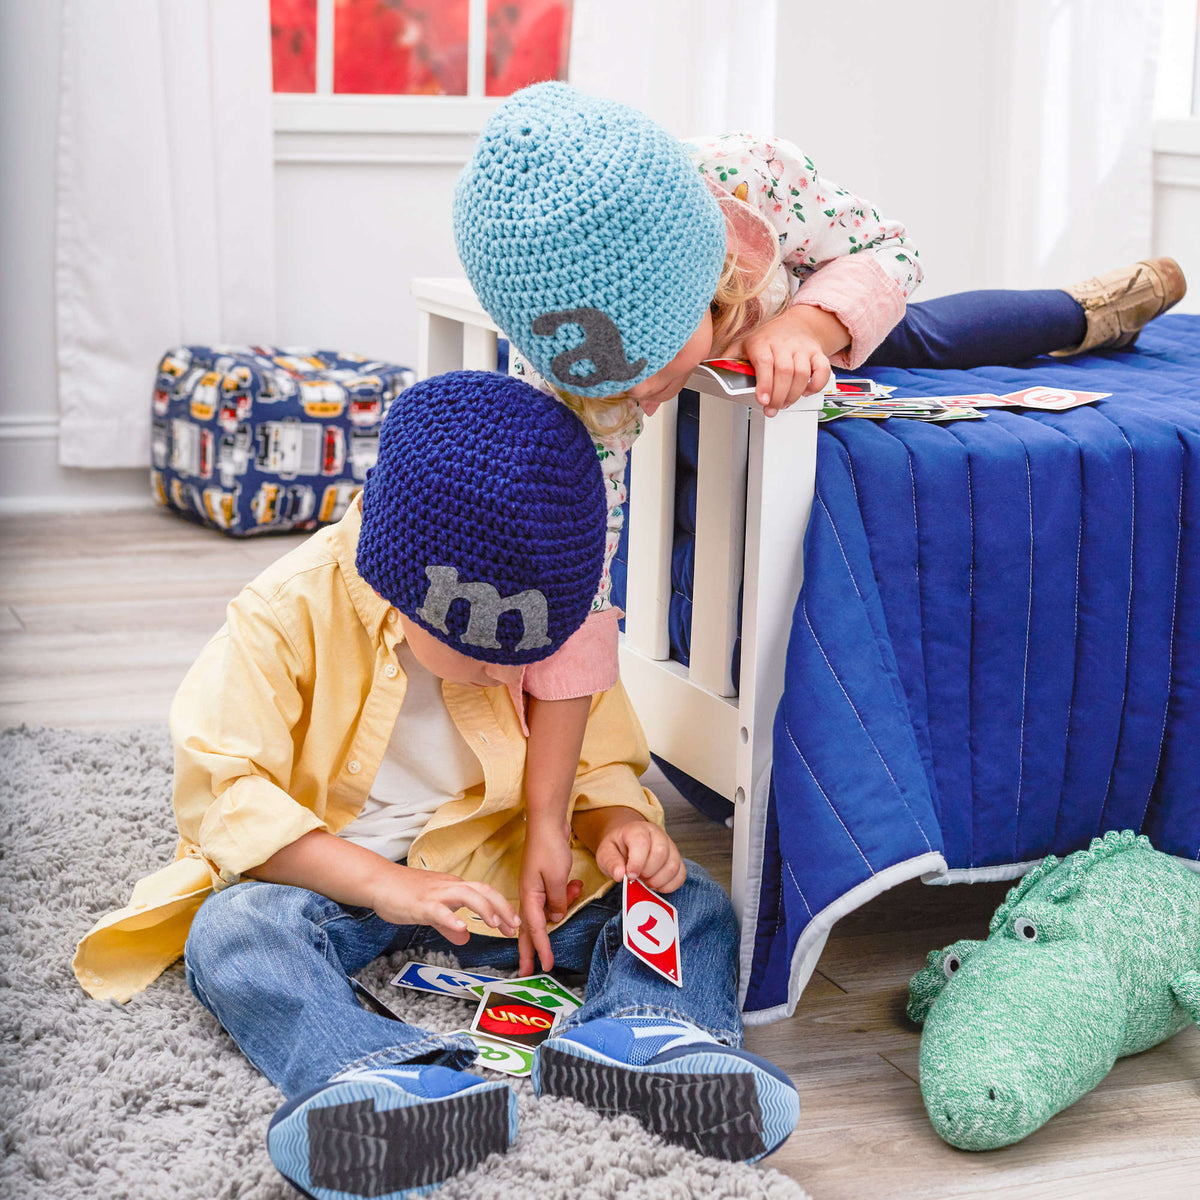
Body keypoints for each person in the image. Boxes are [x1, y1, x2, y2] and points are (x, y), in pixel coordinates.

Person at [450, 82, 1188, 935]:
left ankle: (1088, 309)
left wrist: (808, 321)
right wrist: (546, 819)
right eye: (611, 382)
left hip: (804, 301)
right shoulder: (570, 381)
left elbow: (892, 252)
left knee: (931, 336)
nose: (645, 394)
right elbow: (576, 607)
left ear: (707, 277)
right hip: (721, 315)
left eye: (655, 363)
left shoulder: (753, 177)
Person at [73, 370, 800, 1200]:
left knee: (687, 900)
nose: (520, 675)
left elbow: (599, 757)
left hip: (497, 883)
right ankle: (374, 1078)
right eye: (496, 657)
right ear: (414, 585)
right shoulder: (284, 613)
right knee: (232, 935)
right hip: (333, 884)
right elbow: (226, 794)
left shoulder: (543, 636)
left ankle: (651, 1040)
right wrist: (387, 886)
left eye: (539, 654)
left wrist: (612, 829)